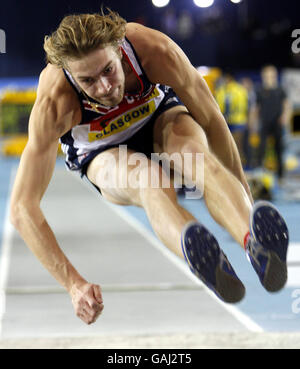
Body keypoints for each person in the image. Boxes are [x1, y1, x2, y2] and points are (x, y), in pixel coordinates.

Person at [9, 10, 289, 325]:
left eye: (108, 71)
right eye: (88, 81)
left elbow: (212, 121)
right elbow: (22, 208)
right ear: (70, 75)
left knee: (196, 157)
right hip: (101, 150)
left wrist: (244, 202)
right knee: (147, 178)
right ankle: (197, 251)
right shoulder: (55, 102)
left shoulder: (153, 49)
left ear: (119, 49)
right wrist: (73, 284)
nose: (104, 88)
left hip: (157, 116)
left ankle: (253, 242)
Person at [255, 65, 292, 181]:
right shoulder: (260, 90)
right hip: (265, 122)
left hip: (277, 123)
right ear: (263, 76)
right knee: (261, 147)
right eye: (266, 75)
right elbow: (256, 108)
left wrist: (285, 117)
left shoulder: (280, 90)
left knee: (278, 149)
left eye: (271, 75)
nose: (269, 77)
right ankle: (260, 171)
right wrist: (253, 122)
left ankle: (280, 175)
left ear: (275, 76)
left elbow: (287, 105)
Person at [215, 72, 249, 164]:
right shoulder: (221, 90)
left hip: (237, 121)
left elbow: (242, 106)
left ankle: (239, 166)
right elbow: (218, 105)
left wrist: (231, 116)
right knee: (226, 146)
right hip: (226, 121)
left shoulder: (239, 89)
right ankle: (228, 165)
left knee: (237, 146)